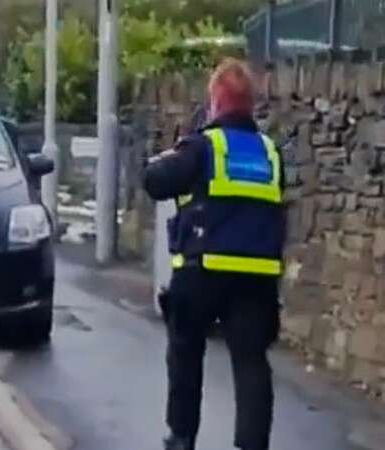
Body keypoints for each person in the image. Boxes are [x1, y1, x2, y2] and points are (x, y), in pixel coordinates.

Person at [143, 59, 285, 450]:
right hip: (257, 277)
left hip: (203, 271)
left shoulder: (204, 146)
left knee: (186, 355)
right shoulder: (271, 154)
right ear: (249, 104)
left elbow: (156, 181)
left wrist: (165, 157)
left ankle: (182, 438)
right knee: (252, 363)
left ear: (215, 103)